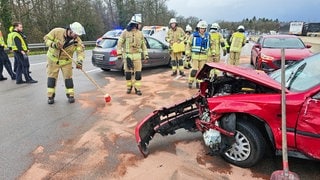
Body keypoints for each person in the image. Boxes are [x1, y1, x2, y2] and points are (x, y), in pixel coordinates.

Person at [43, 22, 85, 104]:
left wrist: (79, 61)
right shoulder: (57, 31)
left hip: (66, 62)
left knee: (68, 78)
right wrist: (53, 45)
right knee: (52, 78)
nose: (76, 36)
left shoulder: (77, 40)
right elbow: (46, 39)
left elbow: (80, 52)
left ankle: (70, 95)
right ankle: (50, 96)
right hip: (53, 60)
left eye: (77, 35)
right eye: (75, 34)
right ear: (70, 30)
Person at [117, 14, 148, 96]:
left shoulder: (140, 34)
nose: (140, 25)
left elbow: (143, 45)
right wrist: (119, 53)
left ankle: (137, 88)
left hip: (137, 57)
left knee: (138, 74)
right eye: (139, 23)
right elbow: (119, 43)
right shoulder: (125, 32)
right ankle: (129, 87)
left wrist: (146, 55)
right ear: (135, 24)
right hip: (128, 56)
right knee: (128, 74)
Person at [186, 20, 213, 89]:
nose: (202, 30)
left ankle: (199, 83)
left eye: (203, 28)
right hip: (195, 55)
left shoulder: (208, 36)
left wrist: (213, 52)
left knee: (201, 71)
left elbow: (211, 44)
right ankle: (190, 81)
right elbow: (188, 45)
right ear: (198, 28)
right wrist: (188, 54)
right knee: (194, 70)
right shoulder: (193, 36)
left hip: (204, 56)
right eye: (201, 28)